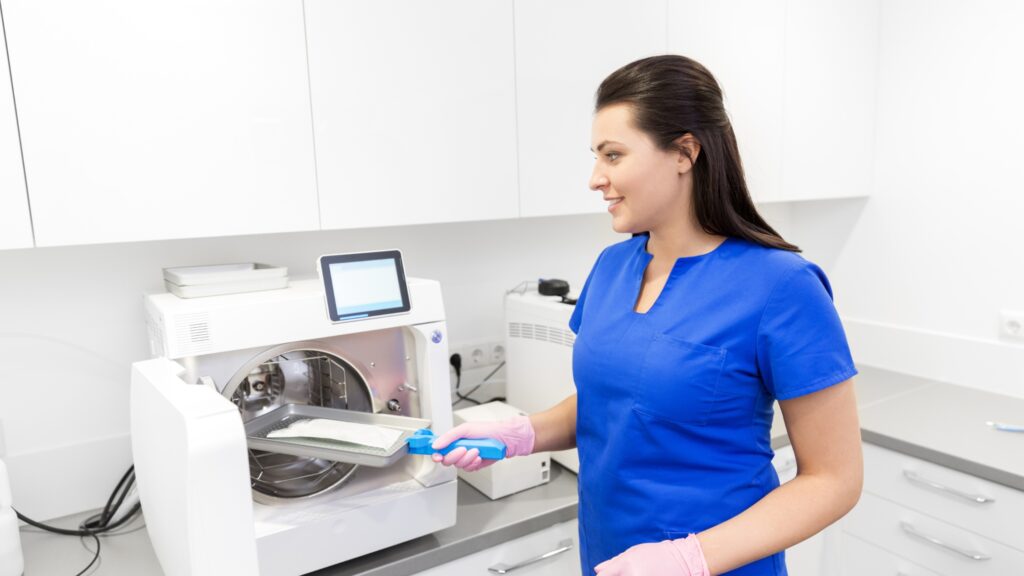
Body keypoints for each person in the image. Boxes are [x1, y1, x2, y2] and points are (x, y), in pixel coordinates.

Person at [431, 55, 863, 576]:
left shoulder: (782, 286)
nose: (596, 178)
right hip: (609, 554)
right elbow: (613, 402)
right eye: (596, 156)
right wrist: (520, 433)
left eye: (613, 155)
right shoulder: (613, 266)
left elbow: (834, 479)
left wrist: (691, 558)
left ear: (684, 152)